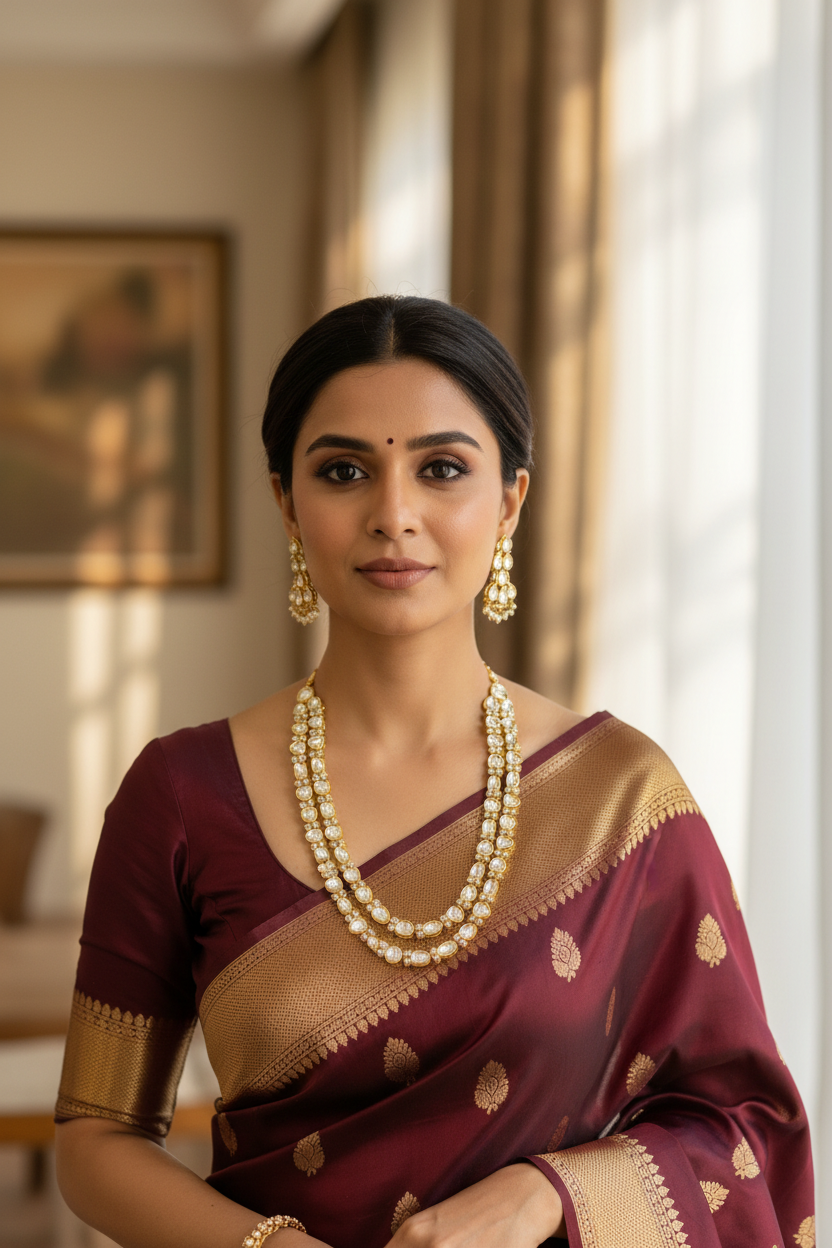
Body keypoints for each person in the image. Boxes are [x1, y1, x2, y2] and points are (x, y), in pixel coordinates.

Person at [54, 296, 815, 1248]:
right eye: (343, 472)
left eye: (442, 468)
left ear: (509, 503)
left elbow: (742, 1126)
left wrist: (545, 1196)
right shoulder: (179, 796)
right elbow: (94, 1139)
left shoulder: (620, 795)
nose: (394, 515)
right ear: (287, 500)